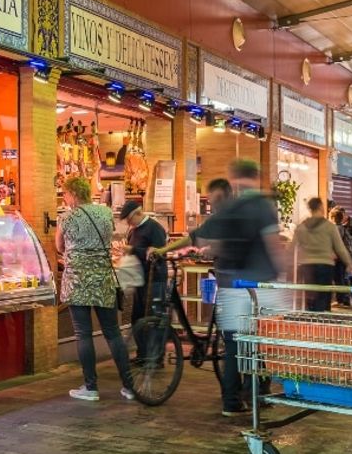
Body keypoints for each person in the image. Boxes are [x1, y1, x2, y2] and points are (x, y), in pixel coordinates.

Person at [161, 162, 284, 416]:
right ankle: (256, 394)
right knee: (258, 344)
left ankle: (231, 402)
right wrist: (286, 276)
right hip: (257, 287)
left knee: (232, 348)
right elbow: (274, 247)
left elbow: (200, 239)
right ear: (257, 177)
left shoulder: (227, 211)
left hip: (228, 286)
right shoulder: (263, 206)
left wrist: (165, 251)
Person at [56, 176, 135, 402]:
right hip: (102, 278)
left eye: (65, 195)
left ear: (72, 195)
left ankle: (90, 387)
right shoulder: (105, 213)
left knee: (83, 334)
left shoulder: (67, 217)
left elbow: (59, 246)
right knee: (113, 332)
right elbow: (110, 237)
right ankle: (129, 386)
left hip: (78, 279)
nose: (65, 199)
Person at [295, 198, 352, 312]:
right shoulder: (329, 226)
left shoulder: (301, 227)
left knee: (310, 296)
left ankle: (311, 321)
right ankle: (322, 322)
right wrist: (349, 262)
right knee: (323, 298)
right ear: (320, 207)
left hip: (307, 266)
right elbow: (340, 248)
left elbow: (292, 246)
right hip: (325, 266)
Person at [120, 200, 168, 330]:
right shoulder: (133, 231)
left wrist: (133, 250)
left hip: (155, 280)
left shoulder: (154, 228)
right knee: (138, 318)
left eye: (129, 220)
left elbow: (159, 253)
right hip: (140, 280)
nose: (129, 223)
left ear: (138, 213)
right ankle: (142, 349)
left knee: (153, 319)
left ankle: (155, 349)